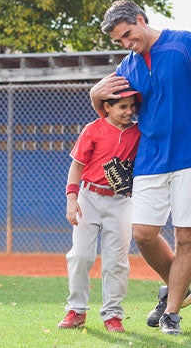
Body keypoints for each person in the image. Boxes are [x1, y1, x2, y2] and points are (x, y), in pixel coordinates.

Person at [89, 0, 191, 335]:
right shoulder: (127, 67)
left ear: (140, 20)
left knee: (186, 236)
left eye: (127, 34)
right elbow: (108, 110)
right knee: (143, 233)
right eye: (119, 41)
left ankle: (171, 313)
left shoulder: (184, 43)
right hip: (150, 159)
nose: (126, 44)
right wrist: (94, 92)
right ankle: (177, 290)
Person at [58, 88, 141, 333]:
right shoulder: (92, 129)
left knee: (116, 261)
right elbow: (76, 167)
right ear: (107, 107)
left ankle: (113, 315)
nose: (129, 111)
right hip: (89, 197)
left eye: (131, 106)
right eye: (122, 107)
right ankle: (76, 310)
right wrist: (71, 201)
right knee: (81, 256)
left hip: (120, 201)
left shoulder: (139, 133)